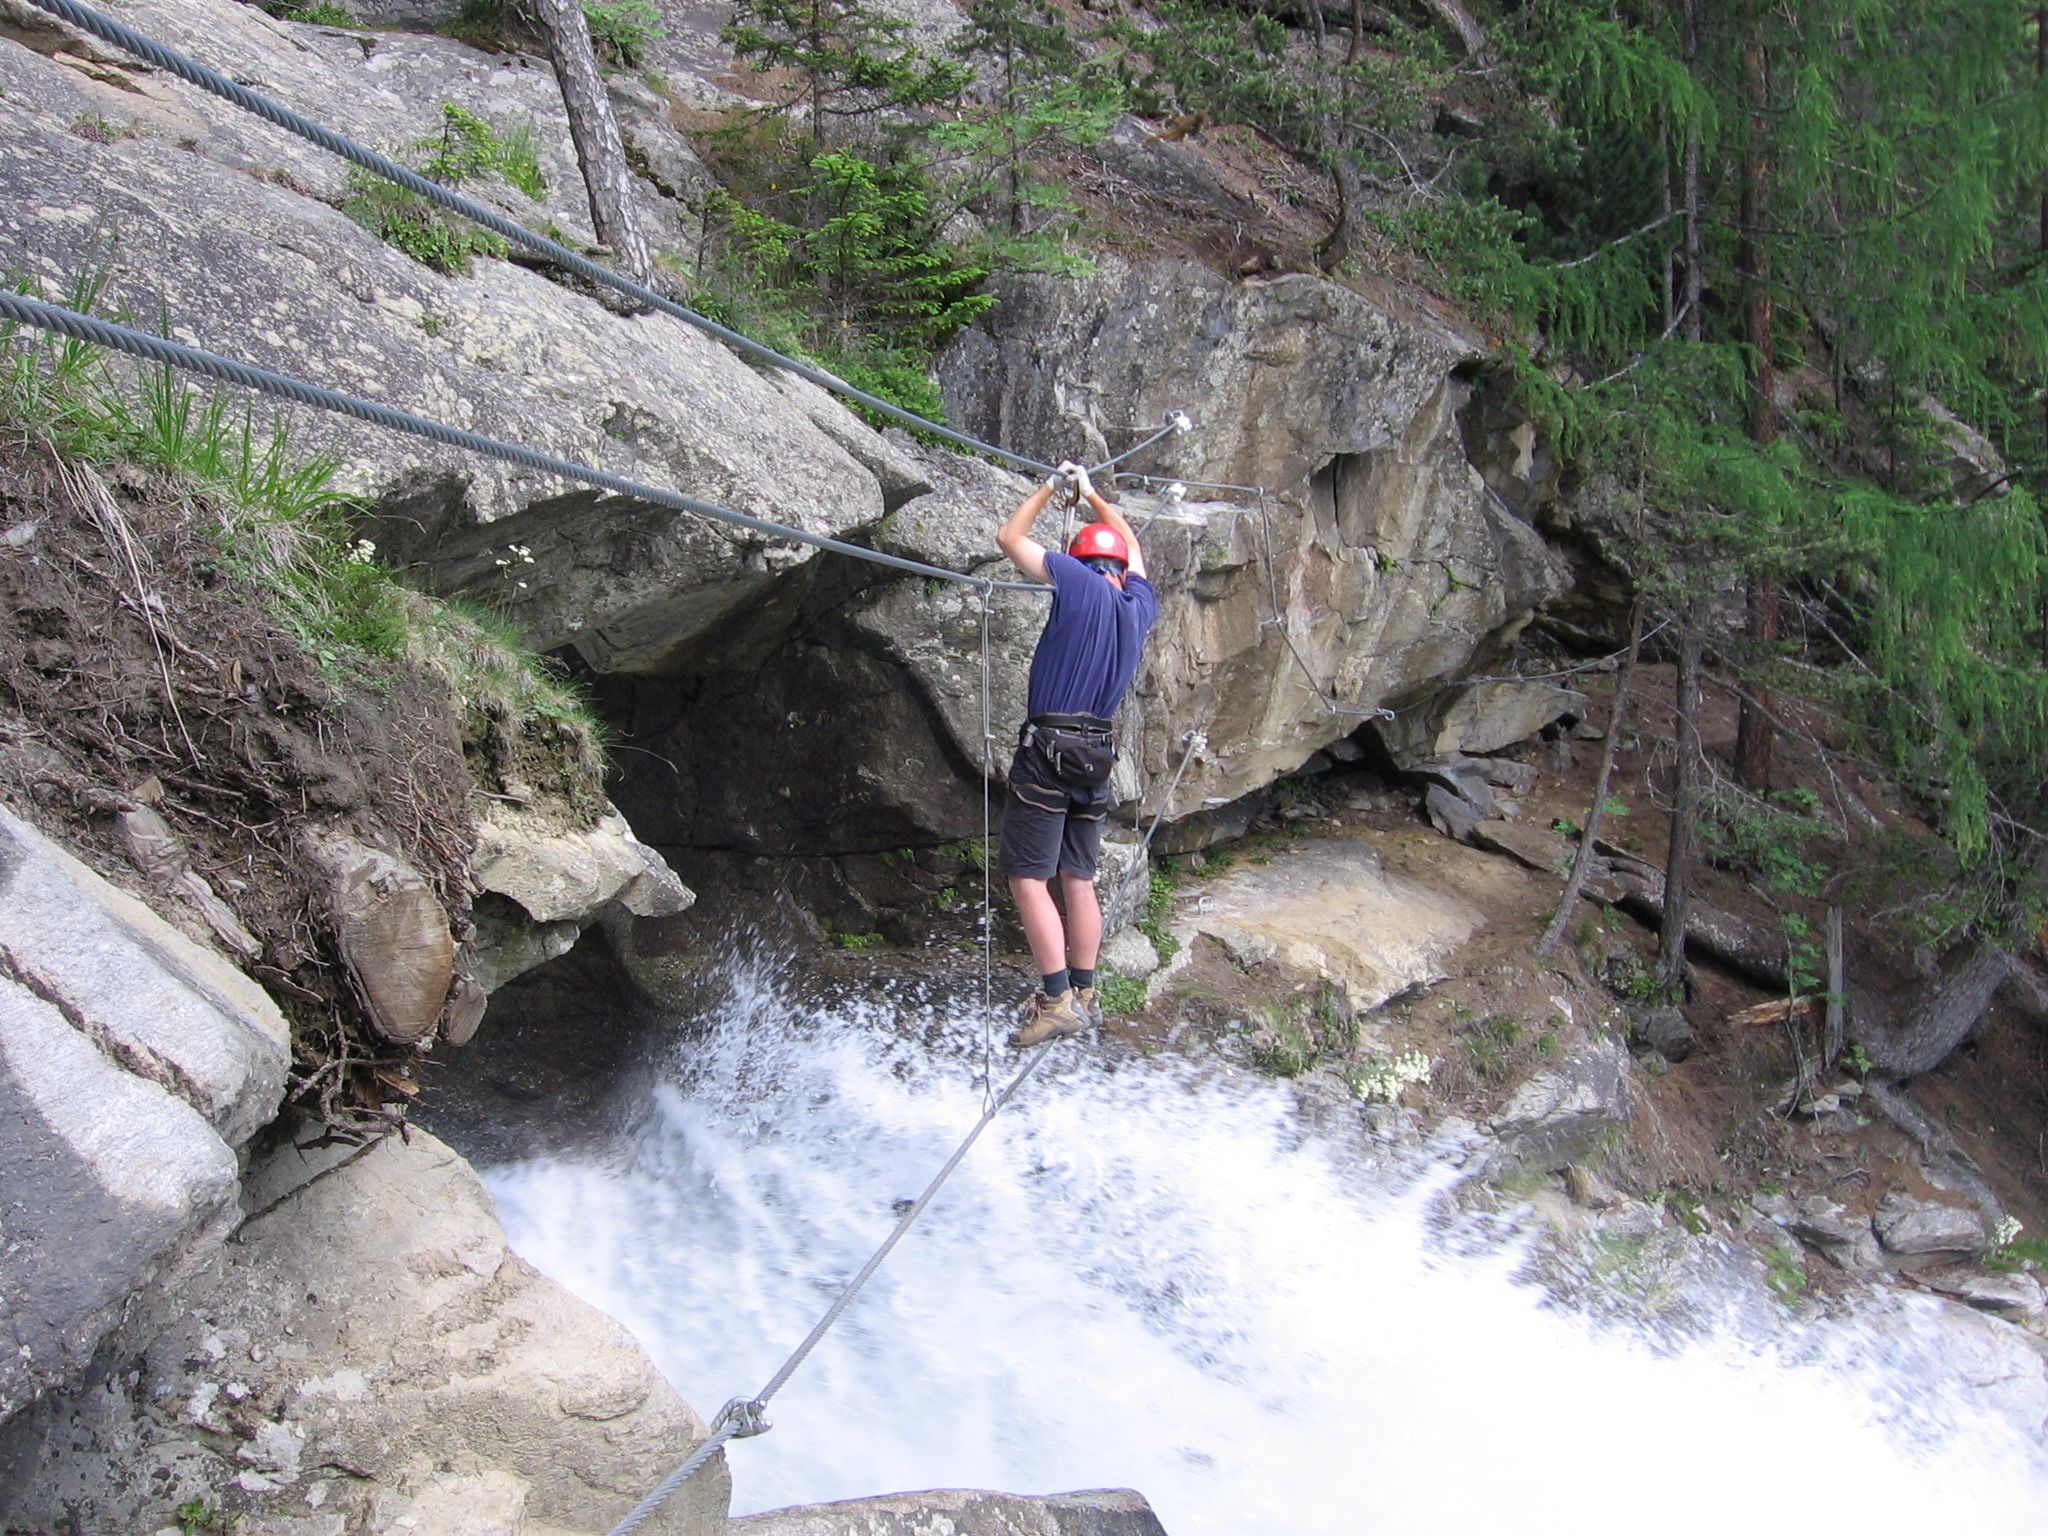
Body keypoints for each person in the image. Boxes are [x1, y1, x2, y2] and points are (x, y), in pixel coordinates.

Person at [995, 460, 1158, 1047]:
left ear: (1082, 560)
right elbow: (1133, 546)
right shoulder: (1139, 606)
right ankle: (1085, 989)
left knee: (1027, 878)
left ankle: (1058, 999)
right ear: (1118, 568)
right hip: (1096, 756)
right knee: (1078, 877)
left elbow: (1009, 539)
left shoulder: (1072, 575)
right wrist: (1092, 495)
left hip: (1047, 753)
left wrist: (1051, 488)